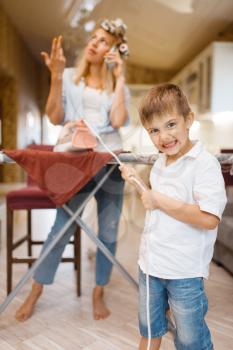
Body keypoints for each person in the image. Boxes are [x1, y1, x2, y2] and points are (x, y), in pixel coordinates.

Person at [15, 18, 130, 322]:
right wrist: (54, 75)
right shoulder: (67, 76)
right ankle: (36, 291)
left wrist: (120, 78)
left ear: (114, 50)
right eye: (94, 37)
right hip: (74, 163)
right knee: (61, 227)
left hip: (109, 164)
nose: (94, 42)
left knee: (107, 231)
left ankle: (98, 291)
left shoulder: (118, 85)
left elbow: (117, 121)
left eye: (103, 40)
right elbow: (54, 117)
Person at [120, 83, 227, 350]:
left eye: (170, 125)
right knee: (150, 330)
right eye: (154, 130)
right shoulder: (159, 163)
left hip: (184, 272)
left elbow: (209, 218)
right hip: (150, 265)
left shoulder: (204, 164)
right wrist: (136, 182)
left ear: (188, 120)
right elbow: (157, 205)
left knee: (191, 342)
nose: (163, 136)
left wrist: (158, 199)